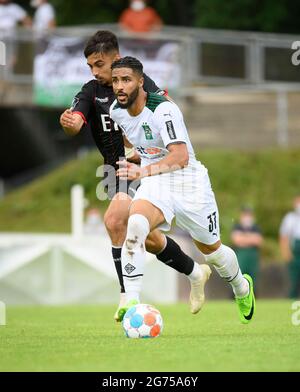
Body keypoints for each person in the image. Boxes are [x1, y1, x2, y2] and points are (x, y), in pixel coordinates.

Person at [60, 31, 209, 321]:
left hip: (145, 165)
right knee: (148, 239)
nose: (94, 71)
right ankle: (195, 272)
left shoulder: (142, 86)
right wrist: (68, 122)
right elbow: (75, 123)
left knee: (115, 219)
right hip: (113, 169)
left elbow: (164, 117)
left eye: (99, 64)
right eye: (90, 66)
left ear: (116, 59)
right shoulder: (90, 91)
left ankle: (127, 297)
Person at [110, 56, 256, 324]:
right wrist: (137, 157)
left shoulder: (164, 109)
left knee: (213, 253)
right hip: (156, 181)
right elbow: (133, 137)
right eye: (116, 80)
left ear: (140, 82)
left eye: (126, 80)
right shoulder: (116, 111)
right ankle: (131, 300)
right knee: (137, 225)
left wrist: (141, 171)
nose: (120, 86)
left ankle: (241, 287)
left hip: (189, 182)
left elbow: (180, 157)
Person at [231, 206, 263, 291]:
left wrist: (244, 237)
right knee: (239, 276)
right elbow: (236, 240)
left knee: (253, 276)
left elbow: (258, 241)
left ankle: (253, 294)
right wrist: (251, 238)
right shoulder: (237, 226)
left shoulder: (256, 227)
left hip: (253, 256)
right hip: (241, 254)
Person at [279, 195, 300, 298]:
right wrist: (286, 252)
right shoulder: (290, 218)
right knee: (294, 279)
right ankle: (292, 299)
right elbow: (284, 237)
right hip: (295, 251)